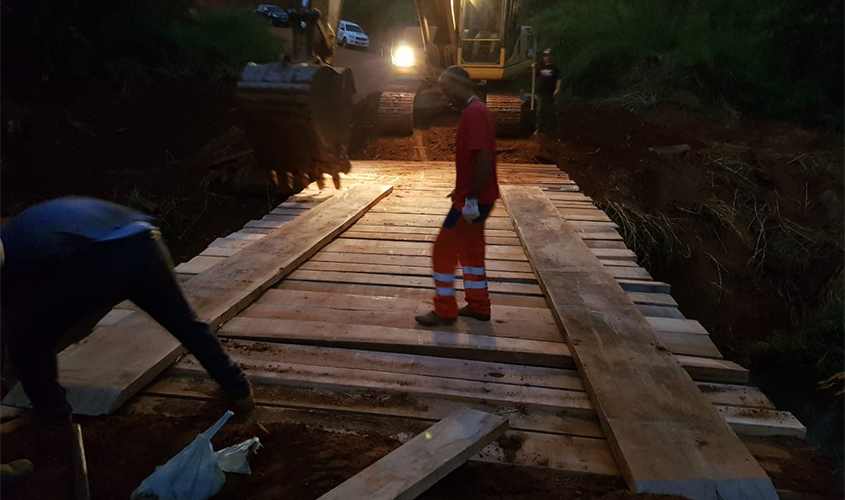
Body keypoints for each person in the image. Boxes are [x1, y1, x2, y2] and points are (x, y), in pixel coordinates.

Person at [0, 197, 254, 427]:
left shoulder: (16, 254)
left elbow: (14, 318)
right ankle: (240, 390)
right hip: (145, 242)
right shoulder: (25, 227)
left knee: (28, 341)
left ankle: (52, 418)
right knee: (185, 323)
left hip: (100, 258)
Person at [415, 66, 498, 327]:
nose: (444, 95)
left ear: (459, 85)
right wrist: (463, 188)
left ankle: (445, 310)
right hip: (478, 197)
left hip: (471, 202)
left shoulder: (474, 114)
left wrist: (470, 199)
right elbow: (476, 159)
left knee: (443, 251)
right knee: (472, 254)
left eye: (446, 89)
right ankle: (479, 305)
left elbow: (485, 158)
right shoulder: (476, 110)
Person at [534, 48, 562, 134]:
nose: (546, 58)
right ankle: (539, 127)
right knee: (539, 108)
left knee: (550, 109)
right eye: (545, 56)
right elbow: (534, 76)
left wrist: (557, 88)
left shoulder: (555, 68)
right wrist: (533, 67)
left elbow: (559, 78)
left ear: (551, 56)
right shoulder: (540, 67)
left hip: (550, 92)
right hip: (540, 91)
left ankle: (552, 127)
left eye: (548, 56)